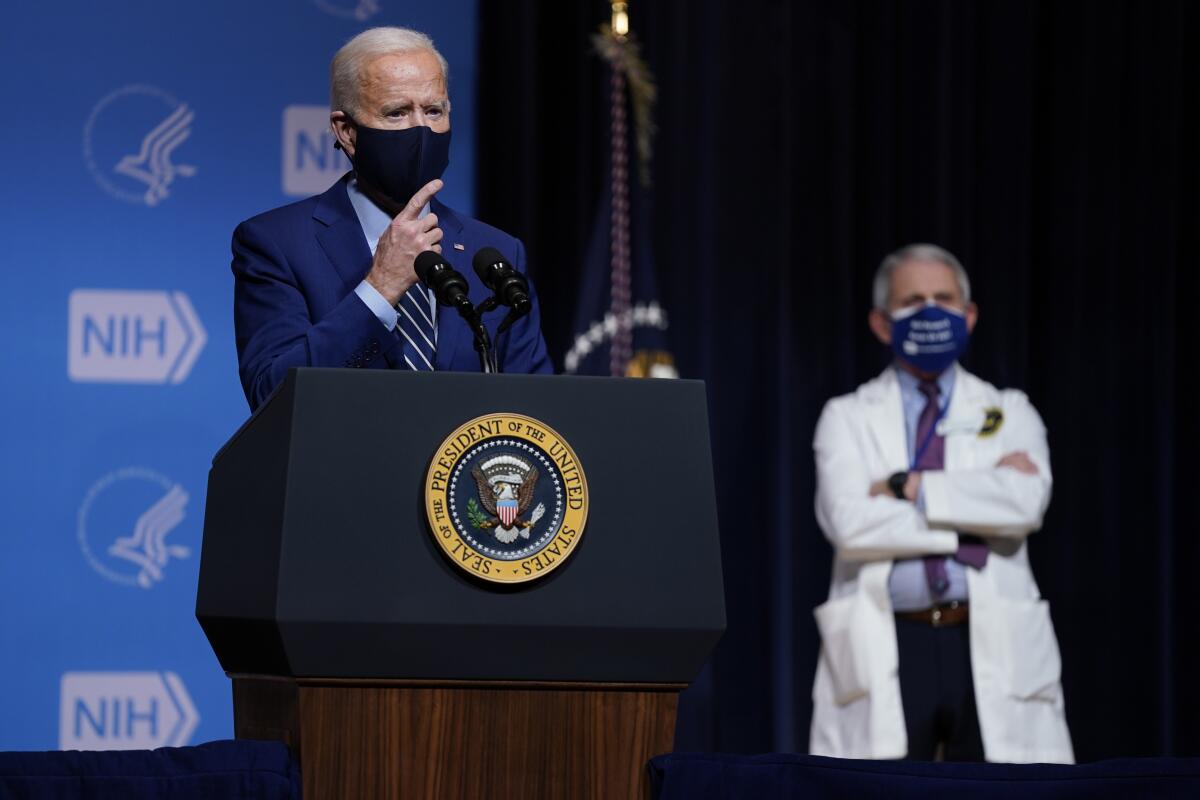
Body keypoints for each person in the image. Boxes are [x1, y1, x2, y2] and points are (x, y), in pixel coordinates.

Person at [808, 244, 1073, 763]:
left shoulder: (1009, 409)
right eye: (913, 301)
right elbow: (849, 525)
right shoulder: (845, 416)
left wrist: (907, 486)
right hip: (891, 637)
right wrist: (974, 516)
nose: (930, 311)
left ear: (968, 315)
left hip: (987, 633)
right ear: (883, 324)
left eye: (943, 298)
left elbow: (1024, 505)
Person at [232, 27, 551, 410]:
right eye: (397, 113)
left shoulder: (497, 251)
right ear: (347, 132)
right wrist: (380, 288)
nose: (421, 129)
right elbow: (272, 395)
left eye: (434, 111)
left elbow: (537, 411)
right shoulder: (276, 244)